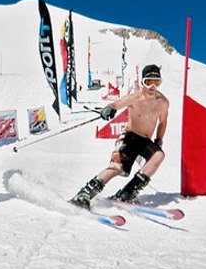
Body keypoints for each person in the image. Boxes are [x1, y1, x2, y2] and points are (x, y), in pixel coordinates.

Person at [69, 64, 169, 208]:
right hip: (129, 138)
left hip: (145, 141)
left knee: (159, 155)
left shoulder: (163, 102)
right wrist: (109, 109)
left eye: (156, 82)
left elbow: (163, 122)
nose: (152, 87)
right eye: (149, 82)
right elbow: (117, 104)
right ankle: (84, 195)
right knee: (117, 167)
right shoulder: (135, 98)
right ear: (143, 82)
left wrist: (159, 139)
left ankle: (128, 193)